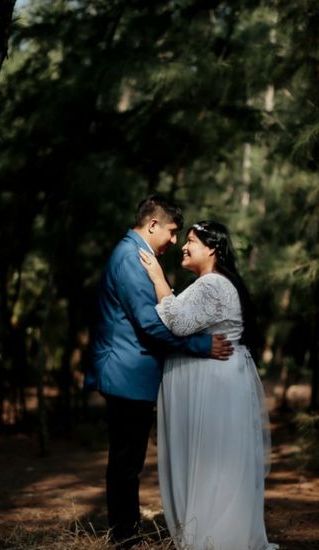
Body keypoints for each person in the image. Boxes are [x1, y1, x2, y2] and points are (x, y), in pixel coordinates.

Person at [85, 196, 234, 547]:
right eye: (171, 232)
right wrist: (202, 346)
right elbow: (151, 324)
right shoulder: (129, 259)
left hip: (129, 372)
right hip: (125, 373)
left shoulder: (138, 255)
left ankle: (125, 535)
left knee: (128, 461)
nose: (173, 241)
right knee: (125, 464)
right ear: (153, 225)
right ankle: (124, 538)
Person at [139, 220, 276, 550]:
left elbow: (178, 323)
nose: (184, 247)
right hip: (219, 384)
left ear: (212, 248)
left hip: (214, 387)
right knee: (213, 461)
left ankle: (213, 537)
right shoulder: (213, 283)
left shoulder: (213, 284)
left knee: (211, 462)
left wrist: (158, 279)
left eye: (191, 241)